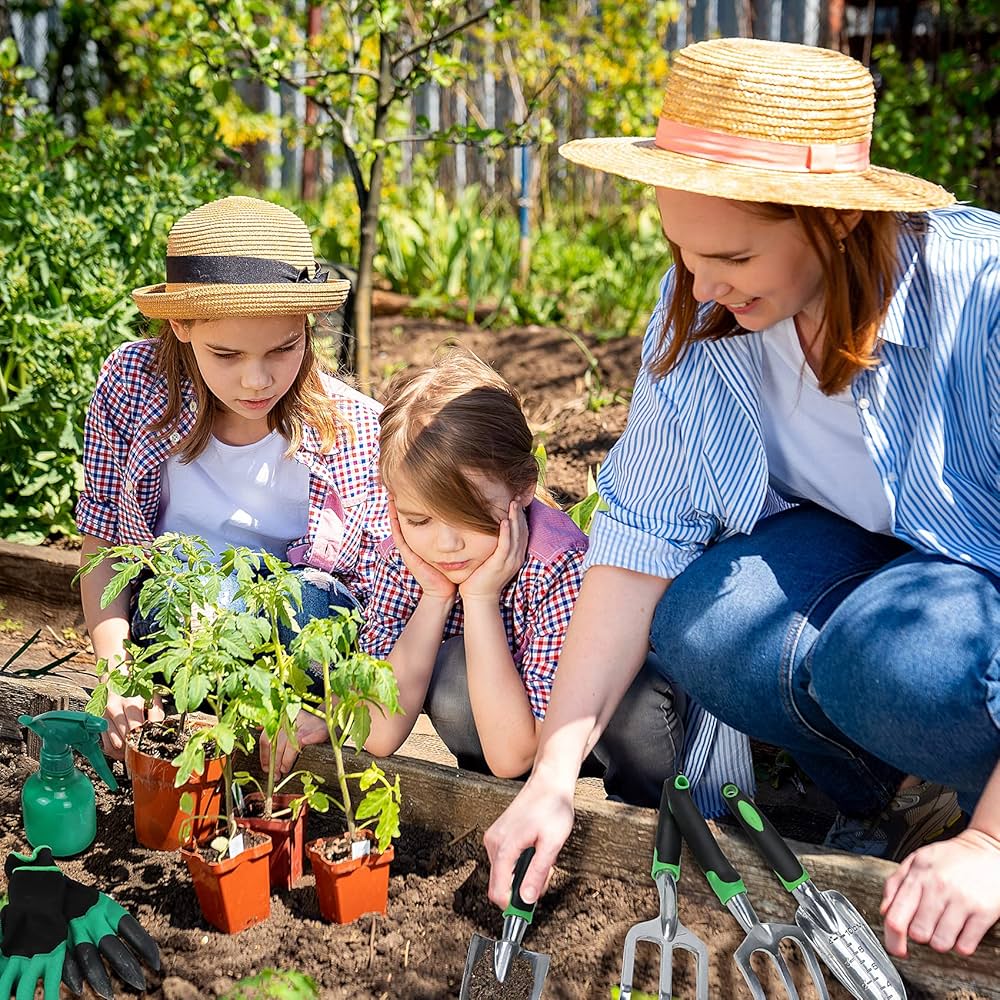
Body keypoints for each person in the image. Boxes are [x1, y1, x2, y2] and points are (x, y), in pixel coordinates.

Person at [484, 37, 1000, 961]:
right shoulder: (704, 304)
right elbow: (640, 533)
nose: (698, 284)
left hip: (960, 600)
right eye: (679, 249)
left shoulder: (982, 296)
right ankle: (884, 799)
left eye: (729, 254)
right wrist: (554, 775)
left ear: (835, 222)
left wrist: (994, 844)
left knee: (899, 660)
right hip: (864, 557)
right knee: (706, 624)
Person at [270, 350, 694, 800]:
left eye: (469, 516)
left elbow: (518, 752)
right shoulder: (406, 557)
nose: (445, 544)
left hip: (595, 730)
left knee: (639, 702)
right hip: (508, 733)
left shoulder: (556, 564)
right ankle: (490, 796)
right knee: (452, 673)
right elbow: (380, 733)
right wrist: (434, 598)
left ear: (523, 486)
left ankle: (648, 809)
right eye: (419, 520)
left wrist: (479, 599)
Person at [77, 195, 390, 759]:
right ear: (180, 325)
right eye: (225, 354)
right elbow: (105, 542)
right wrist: (116, 672)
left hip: (296, 632)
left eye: (284, 348)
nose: (256, 379)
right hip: (177, 618)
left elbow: (380, 596)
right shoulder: (132, 386)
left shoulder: (352, 427)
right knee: (176, 590)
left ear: (309, 324)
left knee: (304, 605)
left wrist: (338, 706)